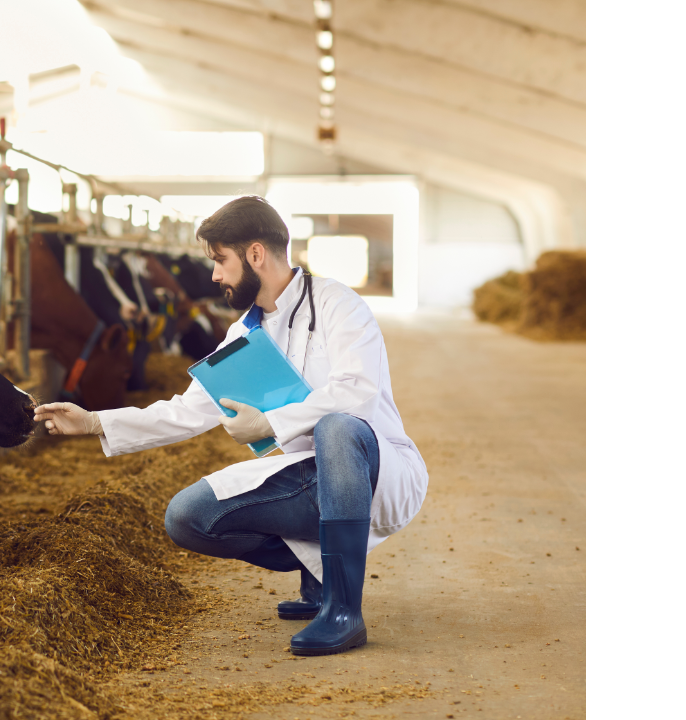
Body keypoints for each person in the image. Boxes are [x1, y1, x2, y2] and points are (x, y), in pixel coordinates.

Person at [33, 196, 428, 656]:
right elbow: (188, 409)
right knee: (187, 517)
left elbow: (356, 393)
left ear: (255, 254)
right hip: (310, 478)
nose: (215, 275)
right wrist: (96, 421)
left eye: (221, 260)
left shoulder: (340, 305)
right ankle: (319, 577)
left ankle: (343, 611)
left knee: (337, 427)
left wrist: (269, 420)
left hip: (377, 473)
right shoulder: (244, 333)